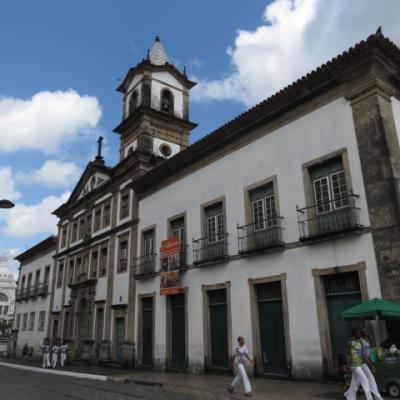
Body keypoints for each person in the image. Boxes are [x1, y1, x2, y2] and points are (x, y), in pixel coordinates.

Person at [344, 329, 383, 400]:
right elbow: (346, 354)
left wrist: (370, 365)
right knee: (364, 380)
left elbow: (362, 354)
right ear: (355, 334)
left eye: (360, 333)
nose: (360, 334)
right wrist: (348, 366)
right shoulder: (350, 343)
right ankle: (369, 398)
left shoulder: (360, 342)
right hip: (355, 365)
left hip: (361, 363)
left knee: (364, 380)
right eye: (358, 333)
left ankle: (349, 396)